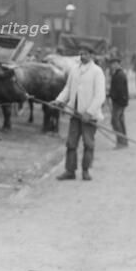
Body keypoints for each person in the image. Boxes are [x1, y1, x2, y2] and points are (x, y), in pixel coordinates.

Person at [54, 45, 106, 181]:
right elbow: (67, 88)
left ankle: (85, 170)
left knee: (88, 144)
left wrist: (89, 112)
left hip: (88, 116)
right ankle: (70, 171)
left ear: (91, 55)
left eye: (86, 54)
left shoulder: (97, 71)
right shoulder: (74, 70)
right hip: (74, 113)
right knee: (71, 143)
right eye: (81, 54)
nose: (82, 56)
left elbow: (100, 95)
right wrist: (59, 100)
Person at [108, 56, 129, 148]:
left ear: (117, 64)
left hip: (119, 102)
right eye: (111, 64)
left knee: (115, 121)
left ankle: (121, 142)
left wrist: (110, 95)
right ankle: (124, 141)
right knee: (120, 121)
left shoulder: (119, 75)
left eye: (113, 64)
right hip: (121, 101)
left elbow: (119, 90)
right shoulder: (118, 73)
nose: (112, 66)